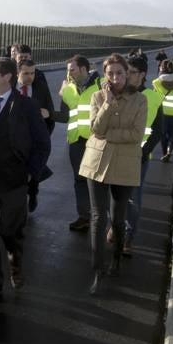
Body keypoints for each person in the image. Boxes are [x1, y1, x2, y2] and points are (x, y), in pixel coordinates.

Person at [0, 57, 49, 302]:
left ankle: (15, 260)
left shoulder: (27, 106)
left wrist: (29, 173)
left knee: (10, 231)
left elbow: (42, 144)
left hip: (14, 181)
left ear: (7, 76)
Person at [80, 55, 145, 294]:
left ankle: (116, 259)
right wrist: (107, 104)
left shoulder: (140, 100)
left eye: (119, 73)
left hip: (125, 165)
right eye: (110, 73)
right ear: (105, 75)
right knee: (98, 218)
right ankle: (98, 271)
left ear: (126, 74)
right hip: (96, 163)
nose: (115, 78)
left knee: (117, 219)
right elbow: (95, 128)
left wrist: (110, 134)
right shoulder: (98, 97)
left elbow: (136, 135)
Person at [123, 55, 162, 254]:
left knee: (132, 199)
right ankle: (115, 227)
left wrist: (143, 151)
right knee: (113, 195)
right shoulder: (117, 92)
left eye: (132, 72)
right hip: (115, 155)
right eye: (126, 71)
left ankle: (129, 236)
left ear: (143, 74)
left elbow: (158, 130)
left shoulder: (153, 97)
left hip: (138, 157)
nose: (128, 76)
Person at [58, 55, 101, 231]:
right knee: (79, 180)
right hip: (76, 141)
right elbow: (64, 116)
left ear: (84, 69)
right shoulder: (68, 89)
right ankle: (84, 216)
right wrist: (46, 113)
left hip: (96, 141)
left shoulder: (101, 85)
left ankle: (100, 218)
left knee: (98, 182)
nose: (69, 73)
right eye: (68, 70)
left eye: (72, 70)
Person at [16, 57, 55, 213]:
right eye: (26, 73)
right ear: (17, 73)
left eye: (32, 73)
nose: (30, 77)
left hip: (33, 140)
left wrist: (47, 114)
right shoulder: (10, 88)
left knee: (33, 170)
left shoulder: (40, 88)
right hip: (15, 139)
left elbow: (50, 111)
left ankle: (33, 193)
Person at [152, 58, 173, 161]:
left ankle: (165, 153)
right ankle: (170, 151)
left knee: (163, 132)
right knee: (171, 132)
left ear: (161, 68)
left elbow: (154, 97)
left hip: (163, 111)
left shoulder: (156, 82)